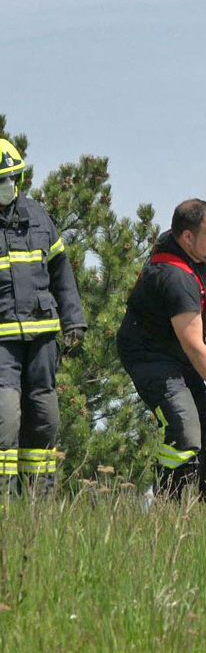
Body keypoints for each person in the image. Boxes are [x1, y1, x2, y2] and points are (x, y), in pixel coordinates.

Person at [117, 198, 206, 499]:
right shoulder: (175, 278)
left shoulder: (200, 246)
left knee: (202, 426)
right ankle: (168, 504)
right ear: (187, 237)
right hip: (152, 356)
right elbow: (194, 345)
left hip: (179, 354)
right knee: (183, 428)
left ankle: (186, 503)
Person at [0, 138, 86, 496]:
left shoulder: (37, 217)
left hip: (43, 341)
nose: (6, 186)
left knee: (44, 417)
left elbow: (62, 274)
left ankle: (39, 506)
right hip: (3, 342)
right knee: (5, 419)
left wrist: (74, 319)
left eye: (10, 178)